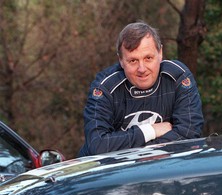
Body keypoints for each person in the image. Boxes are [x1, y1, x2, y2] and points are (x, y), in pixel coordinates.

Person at [79, 21, 204, 156]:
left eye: (148, 58)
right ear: (120, 60)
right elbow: (97, 145)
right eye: (133, 61)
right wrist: (150, 131)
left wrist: (141, 151)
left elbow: (189, 134)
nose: (142, 69)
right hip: (110, 172)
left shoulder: (178, 76)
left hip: (164, 168)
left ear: (160, 53)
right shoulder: (105, 87)